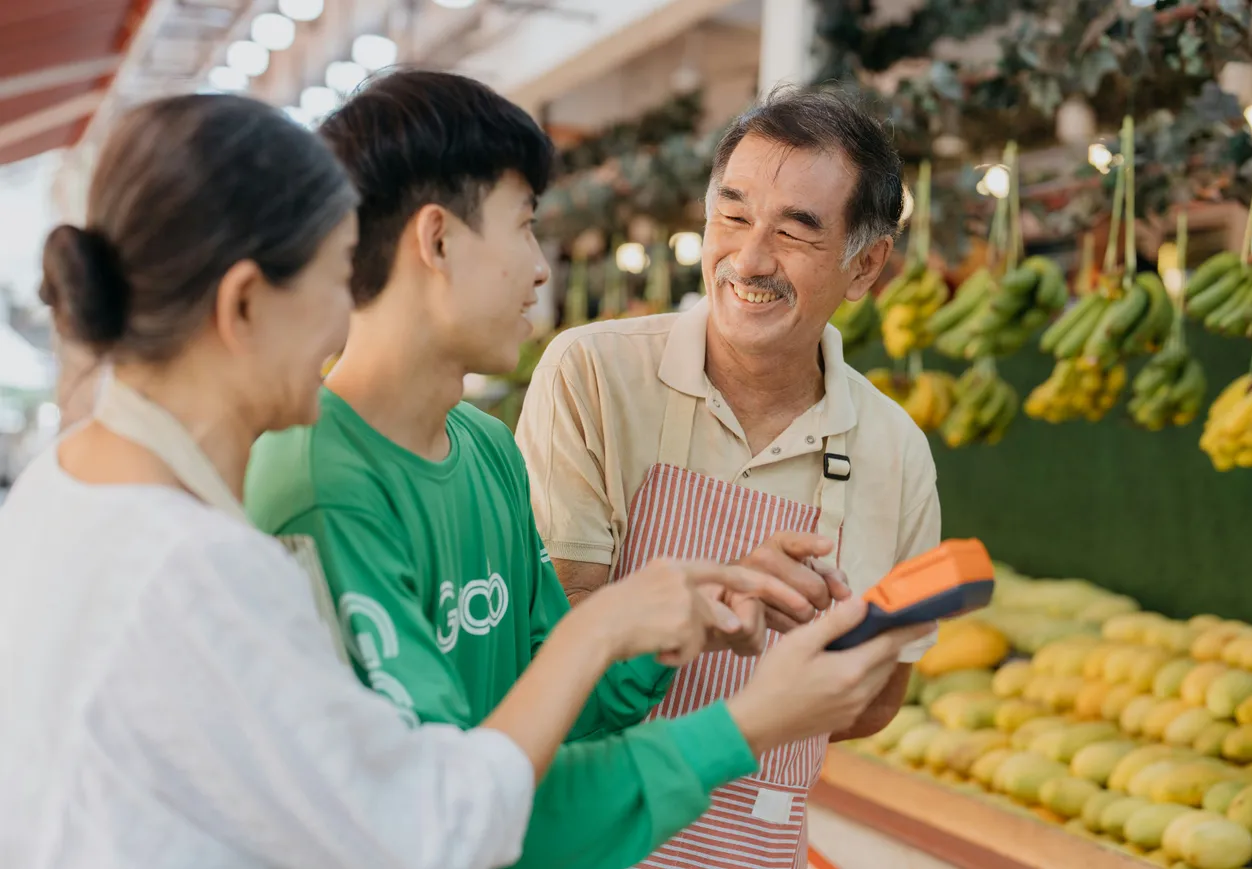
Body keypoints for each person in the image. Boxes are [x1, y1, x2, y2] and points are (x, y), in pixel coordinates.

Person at [0, 93, 843, 869]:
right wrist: (730, 705)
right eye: (336, 277)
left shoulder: (62, 494)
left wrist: (650, 624)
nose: (345, 314)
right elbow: (430, 829)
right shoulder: (202, 567)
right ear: (246, 304)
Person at [242, 70, 927, 869]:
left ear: (865, 265)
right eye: (524, 226)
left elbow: (557, 711)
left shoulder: (485, 452)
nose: (541, 269)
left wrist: (692, 610)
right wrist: (743, 723)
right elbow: (446, 813)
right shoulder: (317, 488)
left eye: (795, 229)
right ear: (436, 240)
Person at [515, 86, 942, 869]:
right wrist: (732, 652)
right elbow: (555, 632)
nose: (749, 259)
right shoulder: (595, 375)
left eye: (795, 231)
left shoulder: (897, 451)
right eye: (734, 215)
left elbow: (884, 692)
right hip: (589, 839)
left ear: (867, 265)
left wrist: (807, 685)